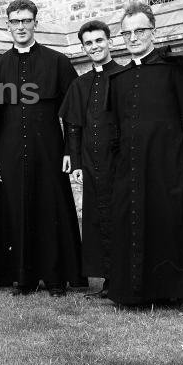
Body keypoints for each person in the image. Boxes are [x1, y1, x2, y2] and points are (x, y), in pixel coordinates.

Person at [107, 2, 183, 314]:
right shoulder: (119, 79)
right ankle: (140, 294)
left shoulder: (174, 69)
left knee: (177, 224)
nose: (133, 37)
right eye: (127, 33)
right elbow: (115, 127)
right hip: (134, 167)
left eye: (140, 30)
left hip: (174, 165)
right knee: (138, 223)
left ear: (153, 31)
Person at [0, 0, 83, 296]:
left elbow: (74, 113)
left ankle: (55, 279)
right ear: (8, 25)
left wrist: (70, 151)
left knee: (50, 210)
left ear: (35, 23)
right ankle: (23, 278)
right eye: (15, 21)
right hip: (11, 153)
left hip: (50, 152)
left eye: (26, 20)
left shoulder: (58, 62)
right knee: (17, 212)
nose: (21, 26)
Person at [59, 20, 122, 298]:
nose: (94, 47)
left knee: (122, 218)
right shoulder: (80, 83)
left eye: (99, 40)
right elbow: (73, 127)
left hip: (120, 162)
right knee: (97, 220)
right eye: (89, 43)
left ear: (109, 41)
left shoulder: (125, 75)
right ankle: (108, 280)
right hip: (91, 162)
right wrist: (76, 162)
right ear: (83, 48)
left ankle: (123, 279)